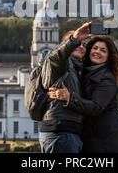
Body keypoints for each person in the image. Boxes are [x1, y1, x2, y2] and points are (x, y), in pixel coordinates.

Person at [48, 35, 118, 153]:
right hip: (95, 136)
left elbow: (95, 107)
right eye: (95, 48)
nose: (97, 52)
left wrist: (69, 97)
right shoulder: (86, 72)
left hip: (107, 139)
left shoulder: (107, 79)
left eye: (103, 50)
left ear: (108, 57)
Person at [38, 22, 92, 153]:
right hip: (61, 132)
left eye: (84, 45)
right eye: (78, 43)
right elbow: (57, 57)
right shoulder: (62, 63)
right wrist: (74, 39)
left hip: (66, 132)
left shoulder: (76, 69)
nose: (81, 46)